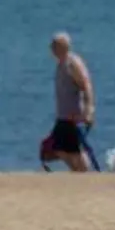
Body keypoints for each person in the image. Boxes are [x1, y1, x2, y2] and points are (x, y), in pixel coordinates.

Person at [47, 32, 97, 172]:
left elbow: (86, 86)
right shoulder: (61, 64)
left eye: (54, 45)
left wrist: (89, 110)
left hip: (74, 117)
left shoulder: (73, 63)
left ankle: (84, 173)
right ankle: (78, 172)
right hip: (63, 116)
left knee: (75, 150)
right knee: (58, 149)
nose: (51, 49)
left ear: (63, 46)